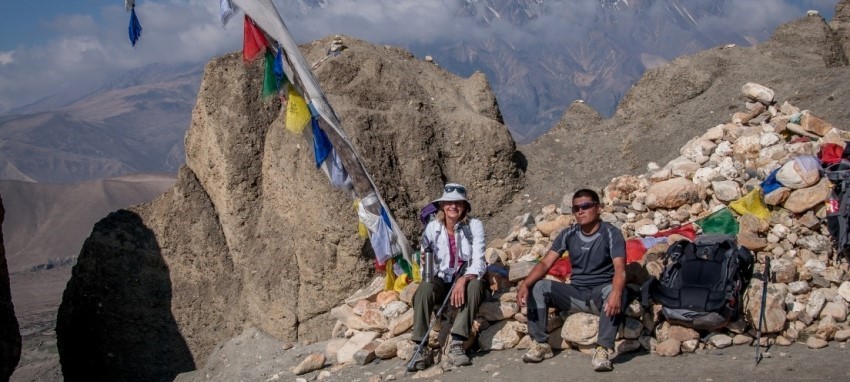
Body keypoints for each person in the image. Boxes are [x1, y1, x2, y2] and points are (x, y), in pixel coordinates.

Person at [517, 189, 626, 372]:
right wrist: (525, 284)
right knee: (539, 286)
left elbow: (620, 269)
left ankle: (602, 349)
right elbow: (545, 264)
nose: (580, 212)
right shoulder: (569, 234)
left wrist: (616, 292)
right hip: (576, 293)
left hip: (601, 294)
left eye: (586, 206)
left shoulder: (611, 233)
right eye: (576, 208)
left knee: (616, 291)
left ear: (598, 208)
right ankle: (541, 344)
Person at [408, 183, 487, 371]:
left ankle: (457, 343)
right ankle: (420, 347)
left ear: (465, 207)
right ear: (442, 206)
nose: (453, 206)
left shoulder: (474, 226)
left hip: (464, 277)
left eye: (458, 203)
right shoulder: (432, 229)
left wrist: (463, 279)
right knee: (424, 289)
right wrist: (427, 273)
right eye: (449, 203)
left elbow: (479, 260)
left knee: (475, 285)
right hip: (441, 278)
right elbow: (426, 259)